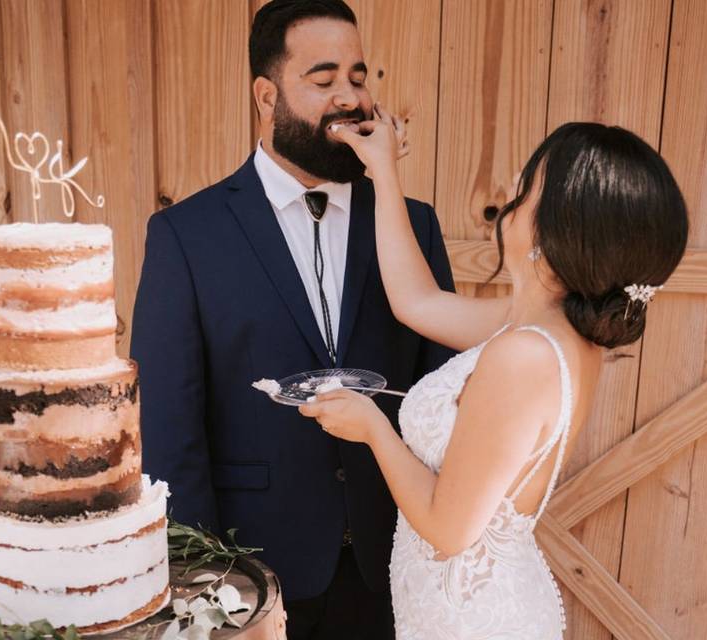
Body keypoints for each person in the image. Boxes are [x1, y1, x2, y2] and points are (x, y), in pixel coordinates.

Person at [129, 2, 454, 637]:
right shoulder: (184, 236)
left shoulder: (413, 224)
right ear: (266, 94)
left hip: (393, 565)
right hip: (251, 573)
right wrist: (209, 588)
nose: (349, 98)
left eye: (358, 77)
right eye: (324, 78)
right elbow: (169, 431)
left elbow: (442, 387)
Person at [302, 113, 689, 638]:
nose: (511, 193)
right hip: (465, 603)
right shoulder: (549, 329)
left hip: (471, 621)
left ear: (556, 231)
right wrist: (384, 173)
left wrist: (372, 427)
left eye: (528, 189)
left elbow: (448, 529)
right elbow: (416, 301)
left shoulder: (524, 356)